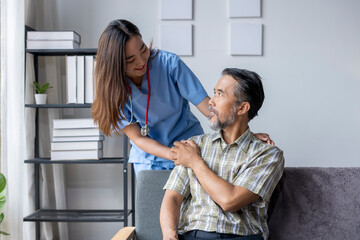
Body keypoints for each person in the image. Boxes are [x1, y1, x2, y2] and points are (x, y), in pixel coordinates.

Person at [91, 19, 273, 176]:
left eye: (143, 50)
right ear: (115, 64)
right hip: (150, 160)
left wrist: (241, 136)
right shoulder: (112, 90)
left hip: (190, 145)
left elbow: (209, 108)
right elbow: (138, 139)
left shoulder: (169, 64)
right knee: (155, 212)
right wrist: (175, 155)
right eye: (130, 60)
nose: (141, 61)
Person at [160, 68, 285, 240]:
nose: (210, 101)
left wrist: (195, 162)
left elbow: (230, 201)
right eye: (214, 93)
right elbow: (173, 197)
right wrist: (169, 235)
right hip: (192, 236)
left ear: (242, 107)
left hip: (241, 237)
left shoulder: (267, 155)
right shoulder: (195, 145)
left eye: (220, 94)